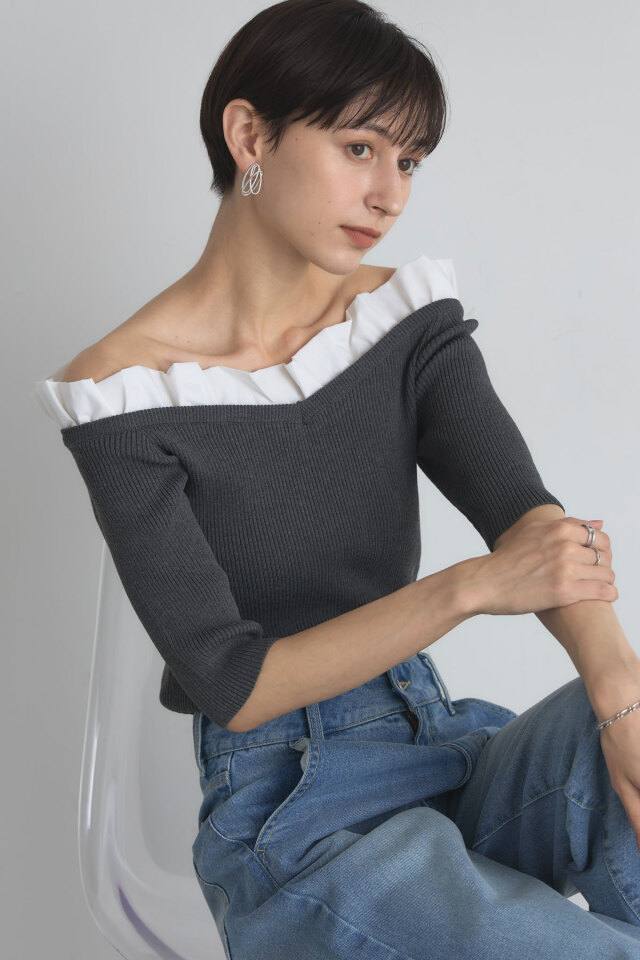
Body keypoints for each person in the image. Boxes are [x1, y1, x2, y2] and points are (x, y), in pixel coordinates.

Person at [32, 1, 640, 956]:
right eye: (360, 149)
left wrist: (621, 698)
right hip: (297, 815)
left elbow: (531, 522)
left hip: (445, 750)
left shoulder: (402, 321)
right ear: (249, 137)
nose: (390, 195)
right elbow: (232, 683)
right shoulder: (123, 396)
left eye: (410, 162)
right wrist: (469, 587)